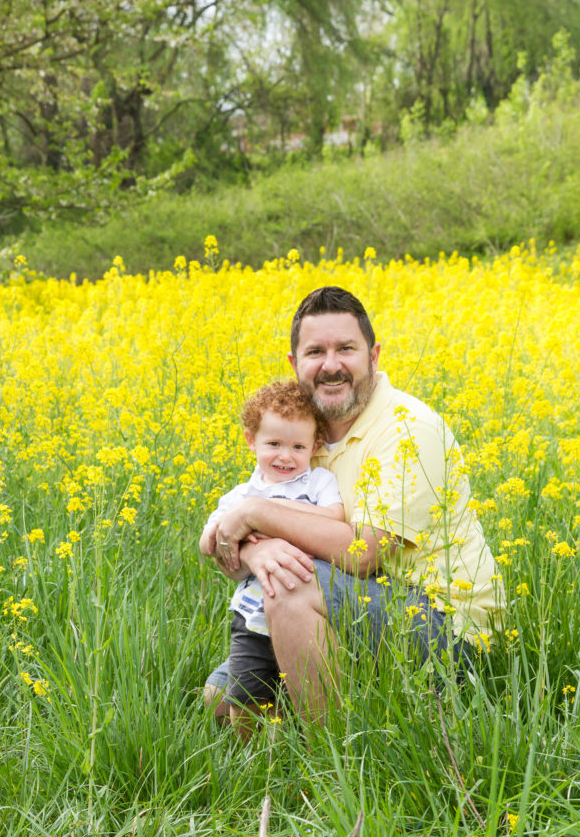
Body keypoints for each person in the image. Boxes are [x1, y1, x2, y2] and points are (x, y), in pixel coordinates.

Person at [203, 286, 505, 724]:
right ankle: (325, 717)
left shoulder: (408, 429)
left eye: (346, 348)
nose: (331, 365)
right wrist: (254, 548)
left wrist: (257, 515)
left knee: (291, 586)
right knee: (219, 699)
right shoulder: (300, 438)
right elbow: (224, 547)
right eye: (315, 352)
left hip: (447, 629)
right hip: (360, 606)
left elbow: (362, 555)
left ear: (374, 355)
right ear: (294, 363)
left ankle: (331, 765)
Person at [199, 380, 343, 735]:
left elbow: (335, 518)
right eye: (274, 444)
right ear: (251, 441)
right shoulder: (242, 494)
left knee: (302, 685)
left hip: (303, 609)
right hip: (252, 617)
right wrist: (238, 529)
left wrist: (270, 515)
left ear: (315, 446)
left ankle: (313, 746)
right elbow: (208, 542)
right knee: (245, 696)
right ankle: (256, 759)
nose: (285, 456)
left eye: (298, 446)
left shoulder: (318, 483)